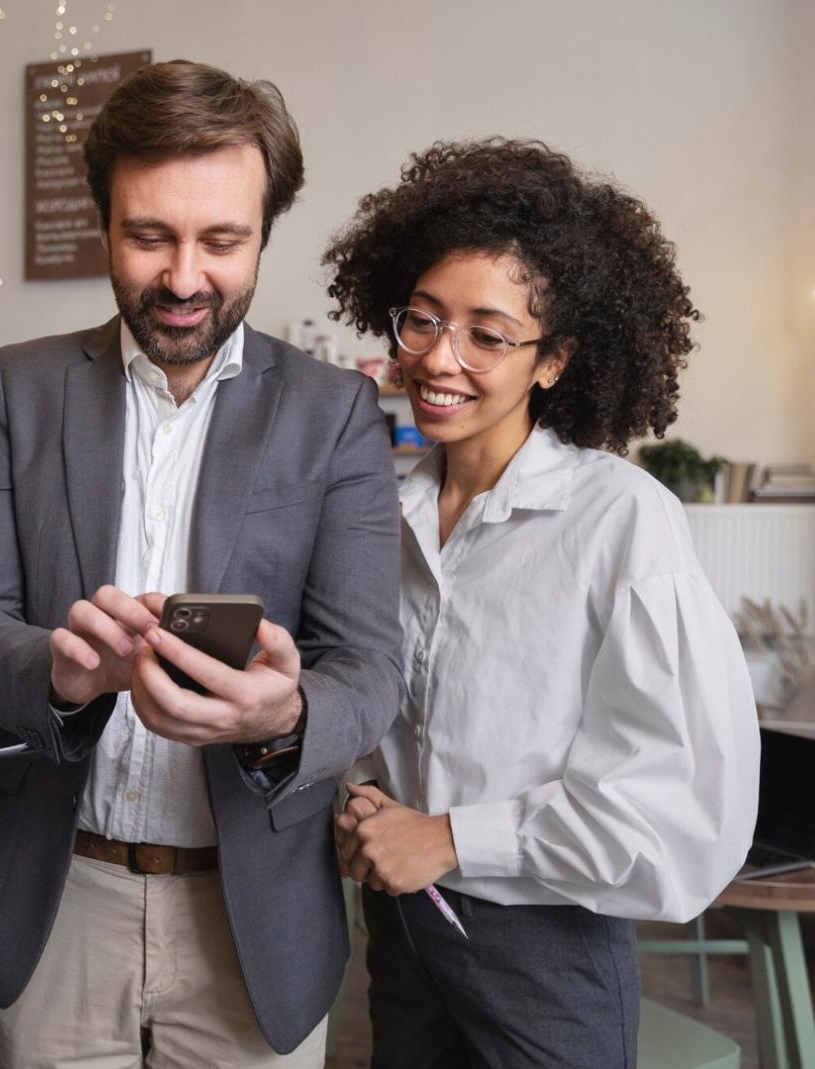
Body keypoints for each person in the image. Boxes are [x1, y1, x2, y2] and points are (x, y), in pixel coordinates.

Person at [0, 60, 403, 1067]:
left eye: (221, 240)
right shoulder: (20, 387)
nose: (183, 278)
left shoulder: (334, 413)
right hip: (57, 902)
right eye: (149, 236)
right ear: (102, 225)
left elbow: (368, 666)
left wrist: (284, 716)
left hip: (254, 913)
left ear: (265, 232)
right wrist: (56, 675)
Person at [324, 138, 760, 1068]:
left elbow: (677, 802)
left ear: (553, 361)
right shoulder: (380, 512)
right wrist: (360, 795)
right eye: (424, 321)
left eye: (489, 333)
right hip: (402, 930)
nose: (440, 359)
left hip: (546, 952)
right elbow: (378, 708)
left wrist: (448, 836)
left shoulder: (620, 520)